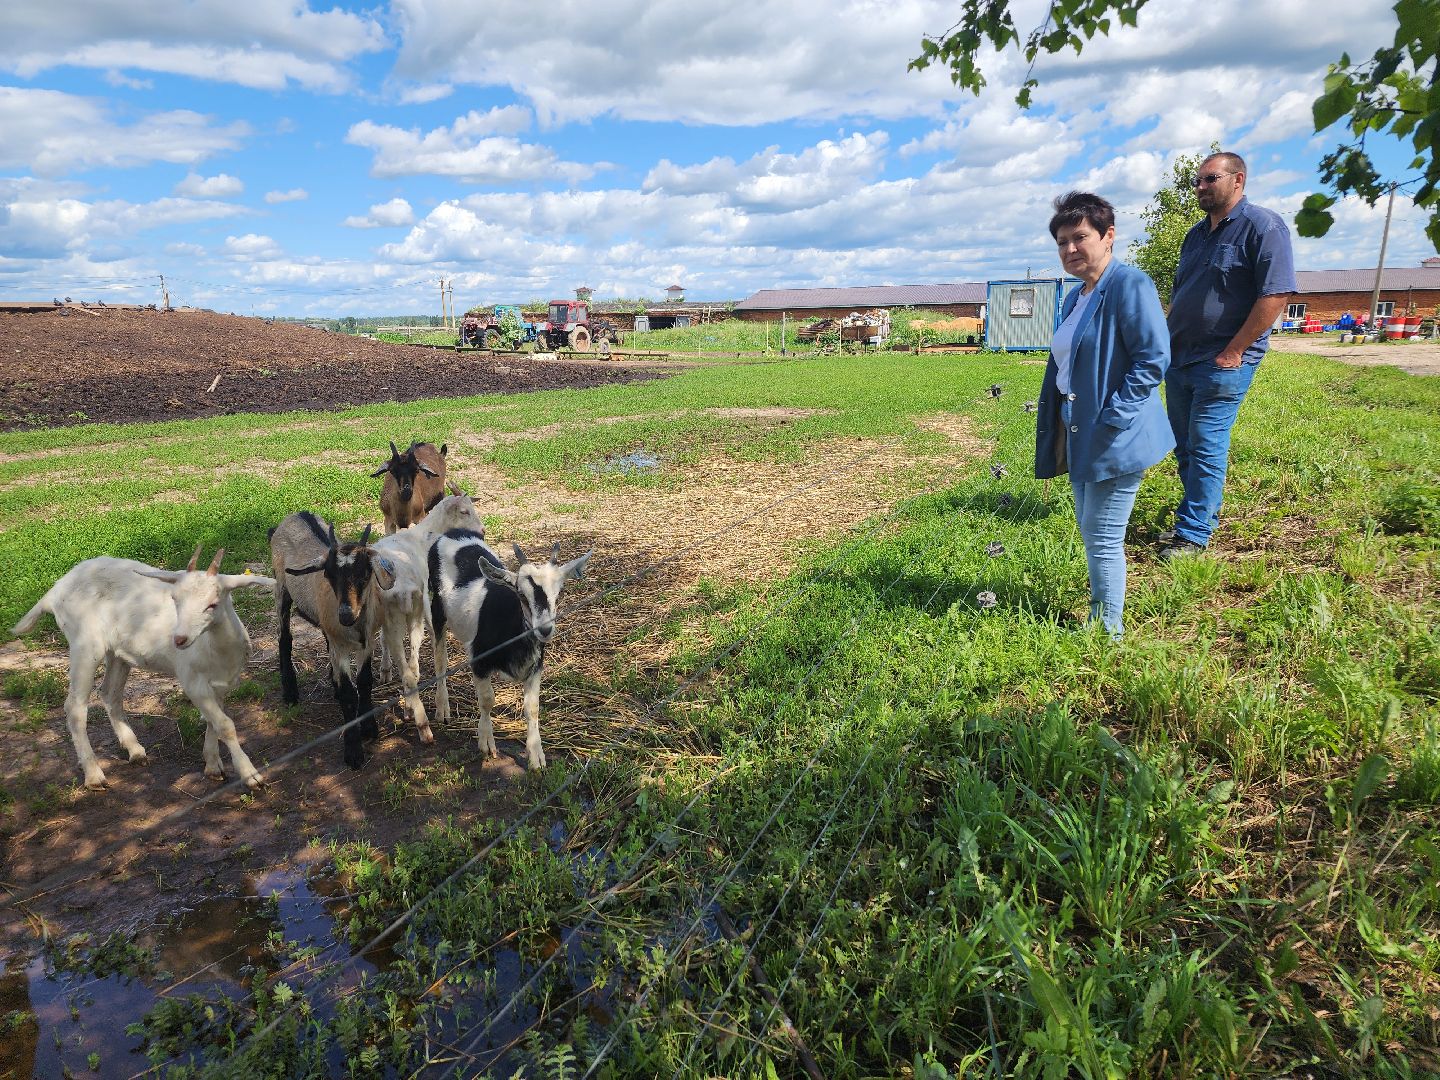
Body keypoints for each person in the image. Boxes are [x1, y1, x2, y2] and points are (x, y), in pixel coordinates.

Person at [1035, 191, 1175, 638]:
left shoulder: (1128, 285)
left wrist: (1114, 415)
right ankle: (1104, 617)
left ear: (1108, 235)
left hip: (1115, 436)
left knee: (1102, 536)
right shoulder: (1078, 296)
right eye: (1061, 242)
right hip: (1081, 432)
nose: (1070, 249)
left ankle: (1106, 632)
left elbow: (1152, 357)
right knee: (1090, 529)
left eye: (1080, 237)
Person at [1160, 151, 1296, 559]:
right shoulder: (1195, 235)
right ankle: (1199, 514)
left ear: (1238, 180)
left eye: (1209, 179)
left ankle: (1194, 534)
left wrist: (1235, 350)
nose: (1200, 187)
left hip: (1222, 362)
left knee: (1205, 444)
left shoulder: (1263, 227)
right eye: (1197, 181)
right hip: (1180, 358)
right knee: (1183, 446)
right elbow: (1183, 294)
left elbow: (1276, 293)